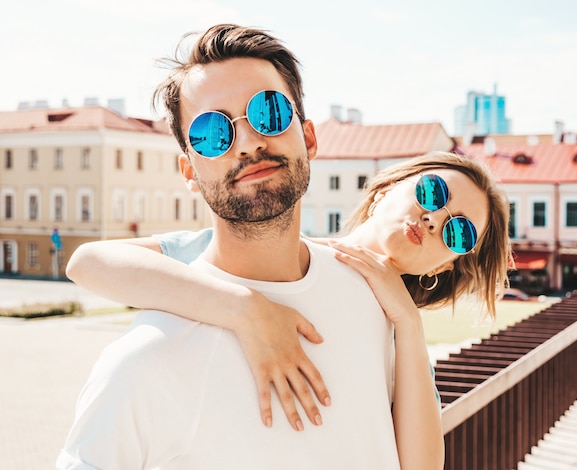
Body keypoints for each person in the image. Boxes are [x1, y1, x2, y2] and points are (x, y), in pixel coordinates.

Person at [57, 24, 516, 470]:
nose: (250, 142)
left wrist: (408, 324)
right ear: (189, 171)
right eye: (213, 133)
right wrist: (247, 309)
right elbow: (89, 262)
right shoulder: (146, 359)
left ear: (310, 138)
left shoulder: (391, 322)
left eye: (270, 113)